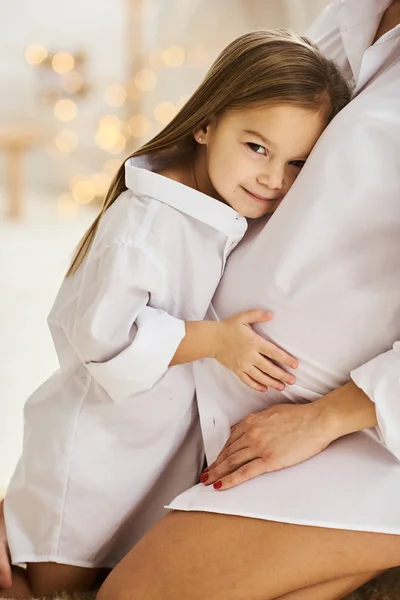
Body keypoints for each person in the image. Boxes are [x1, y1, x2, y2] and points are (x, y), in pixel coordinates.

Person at [0, 30, 350, 599]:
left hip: (152, 445)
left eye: (296, 163)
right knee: (54, 572)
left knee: (116, 556)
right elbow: (104, 337)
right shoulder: (146, 224)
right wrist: (213, 341)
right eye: (257, 147)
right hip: (95, 444)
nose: (273, 178)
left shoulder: (218, 208)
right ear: (206, 124)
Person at [96, 1, 400, 600]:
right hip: (214, 389)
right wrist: (43, 507)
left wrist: (323, 419)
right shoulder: (352, 14)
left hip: (361, 427)